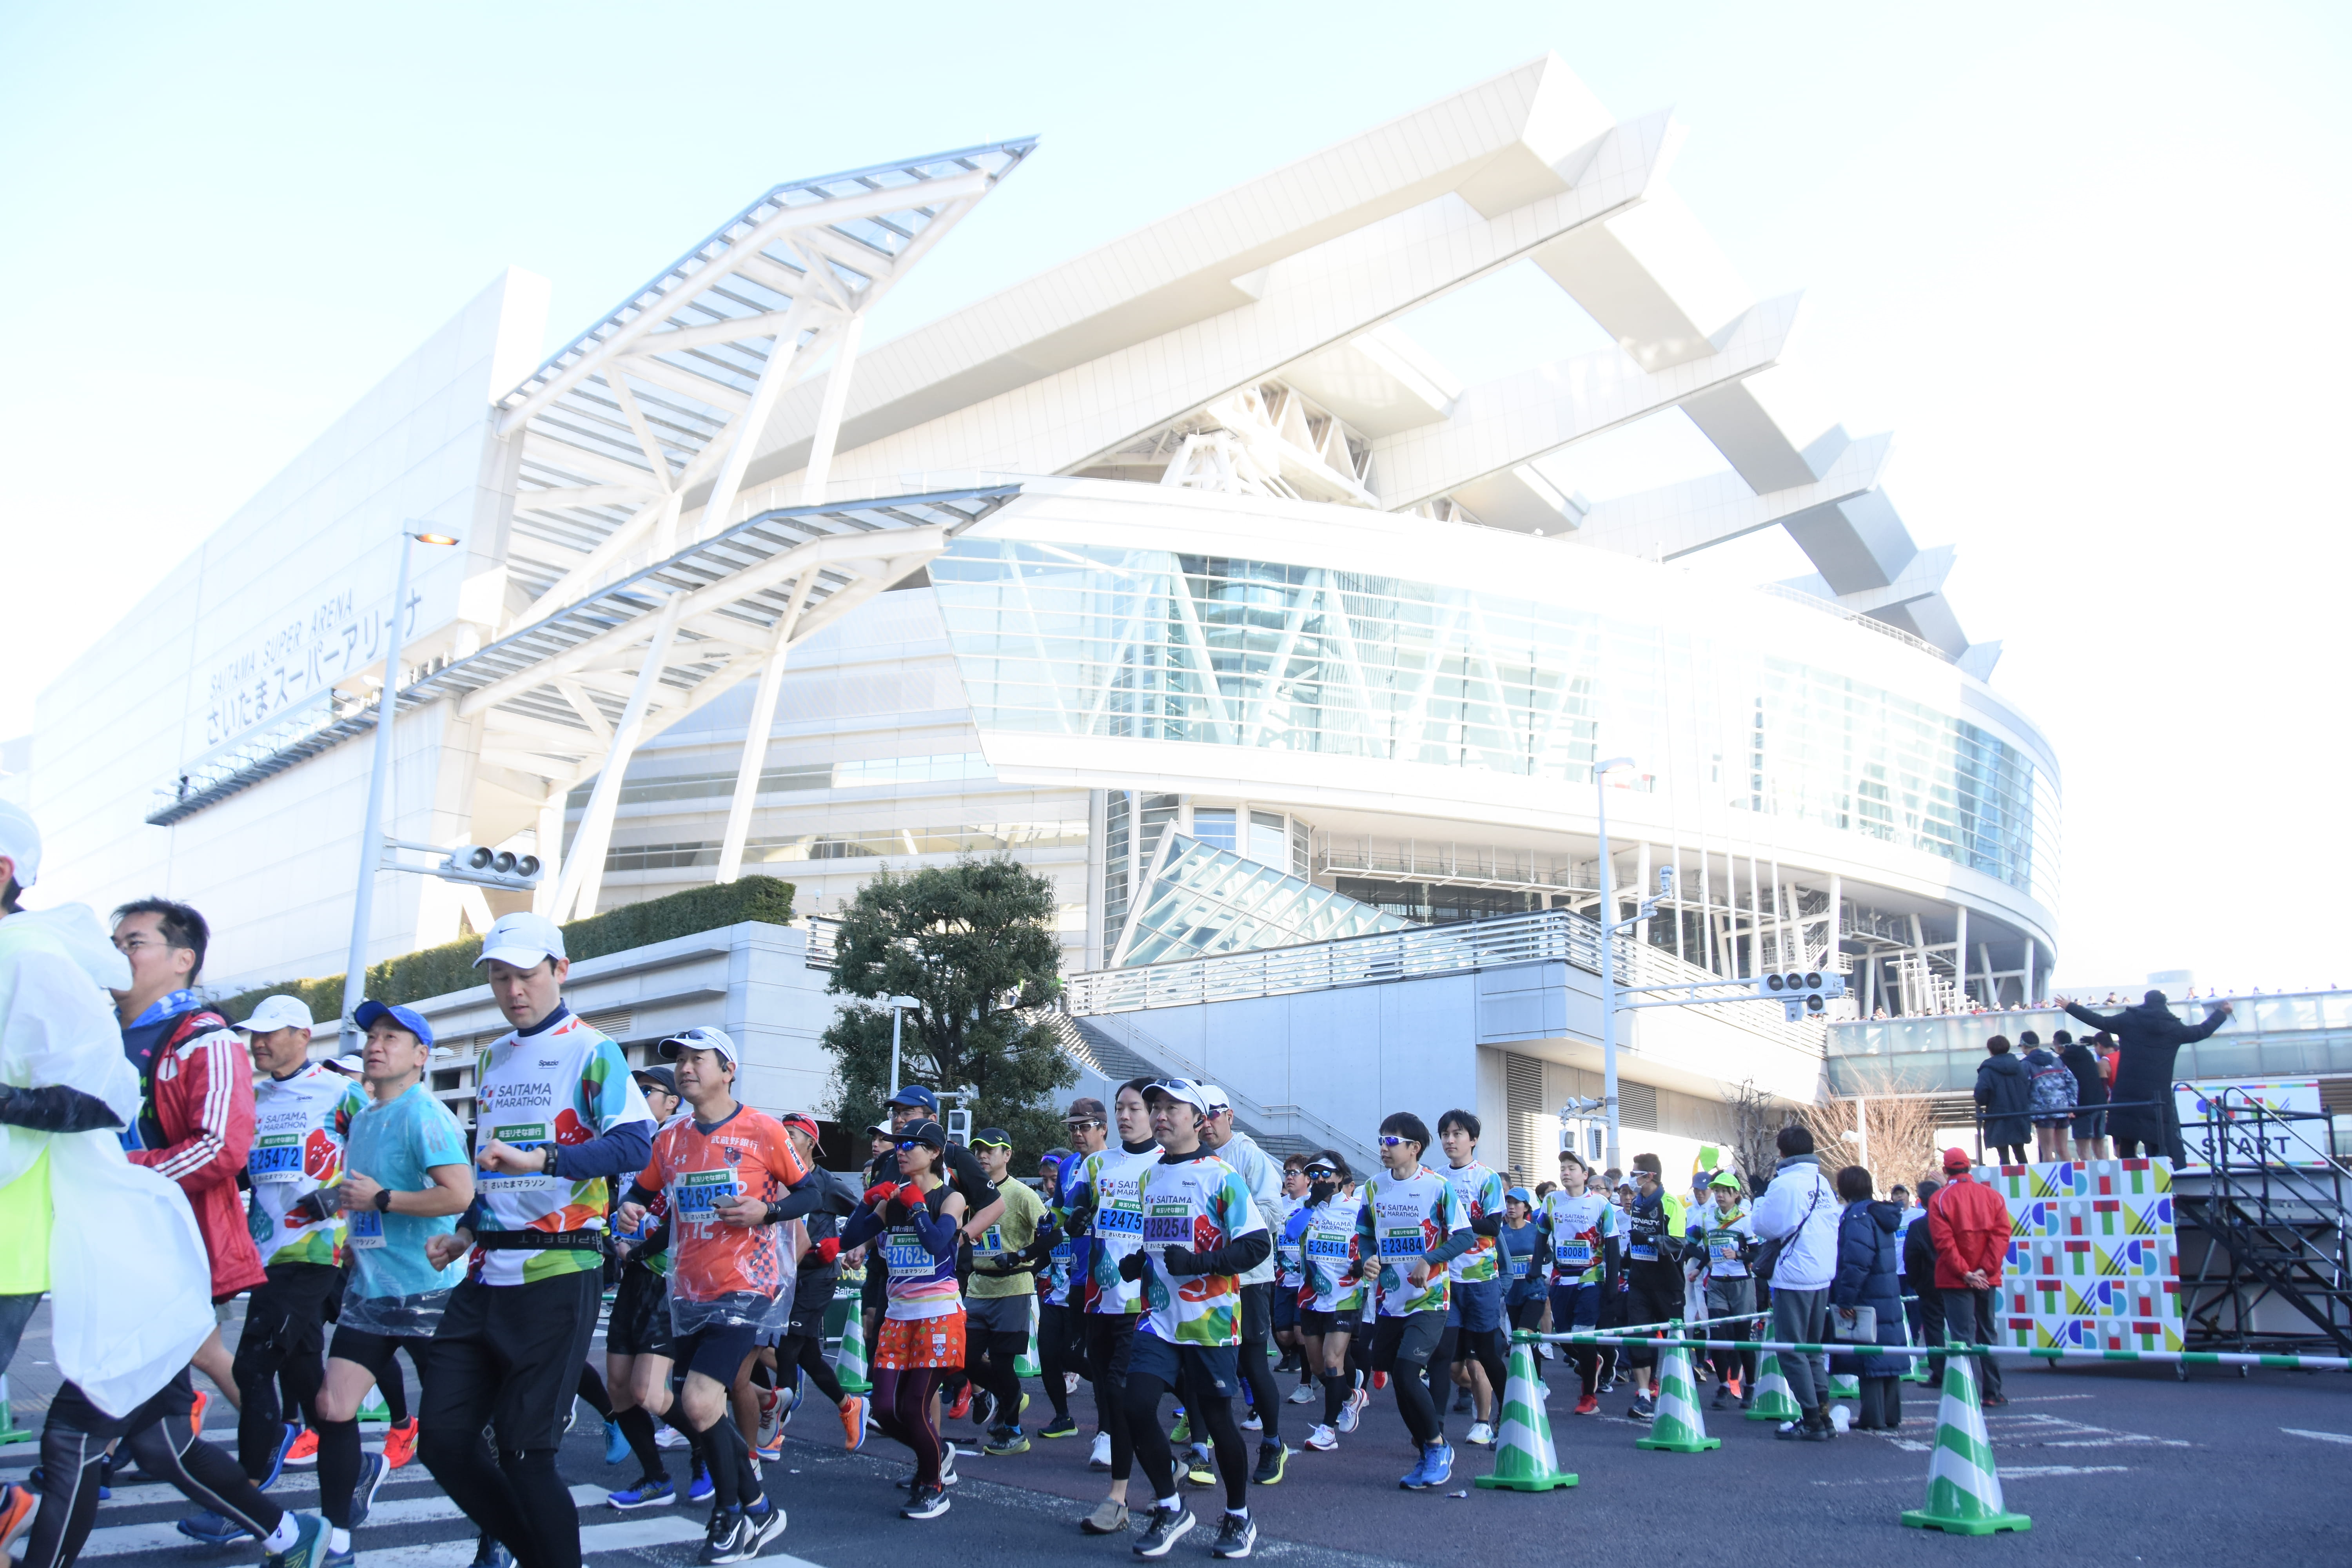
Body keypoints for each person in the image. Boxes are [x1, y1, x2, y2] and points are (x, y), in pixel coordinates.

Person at [0, 806, 207, 1558]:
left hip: (13, 1235)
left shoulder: (29, 956)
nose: (127, 954)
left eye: (139, 942)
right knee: (147, 1436)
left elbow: (105, 1099)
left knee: (126, 1433)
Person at [418, 912, 655, 1568]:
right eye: (500, 978)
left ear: (561, 971)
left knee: (525, 1452)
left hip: (559, 1268)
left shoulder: (592, 1050)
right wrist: (465, 1231)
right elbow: (494, 1167)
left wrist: (546, 1159)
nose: (513, 990)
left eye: (526, 975)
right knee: (442, 1440)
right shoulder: (493, 1057)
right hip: (486, 1270)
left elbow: (635, 1144)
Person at [177, 997, 368, 1546]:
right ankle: (355, 1479)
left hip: (313, 1253)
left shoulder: (341, 1092)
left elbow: (380, 1156)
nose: (259, 1043)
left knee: (253, 1369)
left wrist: (336, 1198)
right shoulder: (252, 1096)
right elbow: (237, 1169)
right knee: (311, 1386)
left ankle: (243, 1500)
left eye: (272, 1033)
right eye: (254, 1034)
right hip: (261, 1253)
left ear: (304, 1035)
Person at [615, 1027, 810, 1563]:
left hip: (749, 1287)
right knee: (699, 1409)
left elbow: (810, 1192)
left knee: (700, 1402)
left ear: (728, 1070)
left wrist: (767, 1211)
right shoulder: (671, 1139)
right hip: (689, 1290)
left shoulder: (763, 1130)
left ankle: (729, 1515)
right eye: (680, 1059)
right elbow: (642, 1192)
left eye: (697, 1059)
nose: (685, 1067)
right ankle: (758, 1509)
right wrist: (631, 1208)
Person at [310, 1002, 474, 1566]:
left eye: (391, 1038)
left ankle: (500, 1532)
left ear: (421, 1056)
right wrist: (353, 1235)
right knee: (333, 1406)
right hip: (370, 1292)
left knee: (455, 1431)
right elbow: (362, 1196)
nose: (375, 1046)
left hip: (432, 1291)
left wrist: (382, 1200)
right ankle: (336, 1537)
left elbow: (459, 1194)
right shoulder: (363, 1118)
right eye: (372, 1036)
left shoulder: (424, 1114)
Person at [112, 897, 269, 1404]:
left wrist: (120, 1171)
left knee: (187, 1349)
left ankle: (278, 1434)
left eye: (134, 943)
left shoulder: (206, 1039)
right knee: (153, 1358)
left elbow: (222, 1148)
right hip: (106, 1226)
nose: (118, 955)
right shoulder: (96, 1035)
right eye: (114, 944)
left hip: (176, 1234)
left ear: (184, 959)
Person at [1118, 1078, 1270, 1560]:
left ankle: (1239, 1515)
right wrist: (1139, 1262)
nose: (1160, 1115)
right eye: (1156, 1107)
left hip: (1210, 1321)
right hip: (1158, 1318)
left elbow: (1257, 1245)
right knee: (1136, 1405)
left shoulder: (1222, 1175)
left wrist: (1199, 1264)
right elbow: (1161, 1242)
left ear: (1200, 1120)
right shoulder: (1150, 1177)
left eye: (1172, 1107)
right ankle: (1170, 1506)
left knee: (1219, 1420)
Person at [838, 1118, 967, 1520]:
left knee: (914, 1408)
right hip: (898, 1317)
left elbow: (936, 1243)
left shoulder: (951, 1198)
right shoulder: (891, 1198)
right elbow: (848, 1239)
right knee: (882, 1409)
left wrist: (916, 1206)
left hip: (939, 1315)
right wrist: (867, 1203)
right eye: (899, 1143)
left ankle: (932, 1485)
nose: (901, 1150)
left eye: (912, 1144)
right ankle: (937, 1453)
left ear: (934, 1153)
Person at [1057, 1081, 1160, 1535]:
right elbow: (1068, 1216)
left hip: (1147, 1303)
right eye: (1119, 1107)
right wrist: (1075, 1219)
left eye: (1133, 1108)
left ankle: (1117, 1498)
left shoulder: (1167, 1165)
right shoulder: (1097, 1164)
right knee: (1109, 1391)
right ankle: (1169, 1468)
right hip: (1100, 1298)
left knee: (1120, 1393)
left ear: (1154, 1113)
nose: (1124, 1115)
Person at [1356, 1111, 1473, 1490]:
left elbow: (1465, 1236)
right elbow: (1365, 1235)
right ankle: (1426, 1450)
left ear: (1414, 1148)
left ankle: (1438, 1446)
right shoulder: (1373, 1187)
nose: (1384, 1147)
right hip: (1390, 1301)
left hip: (1430, 1299)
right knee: (1396, 1378)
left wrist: (1429, 1259)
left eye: (1391, 1141)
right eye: (1381, 1140)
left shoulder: (1438, 1187)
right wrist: (1368, 1259)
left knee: (1408, 1373)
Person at [1197, 1085, 1291, 1483]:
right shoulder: (1189, 1157)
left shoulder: (1249, 1155)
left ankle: (1273, 1443)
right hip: (1203, 1276)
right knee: (1201, 1360)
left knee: (1252, 1363)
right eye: (1199, 1116)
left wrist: (1230, 1223)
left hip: (1249, 1277)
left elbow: (1273, 1214)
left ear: (1230, 1116)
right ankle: (1200, 1447)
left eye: (1214, 1114)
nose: (1207, 1123)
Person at [765, 1111, 867, 1456]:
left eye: (791, 1135)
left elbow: (863, 1217)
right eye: (781, 1134)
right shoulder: (774, 1179)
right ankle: (849, 1405)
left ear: (811, 1143)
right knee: (808, 1355)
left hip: (817, 1277)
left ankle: (774, 1431)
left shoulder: (826, 1182)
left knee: (787, 1350)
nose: (784, 1140)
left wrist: (839, 1244)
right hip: (783, 1276)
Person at [2059, 991, 2234, 1163]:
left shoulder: (2129, 1020)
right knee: (2157, 1142)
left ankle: (2130, 1178)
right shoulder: (2174, 1028)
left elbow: (2099, 1021)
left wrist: (2071, 1007)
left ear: (2145, 1002)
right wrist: (2221, 1013)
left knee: (2127, 1144)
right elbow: (2201, 1031)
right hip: (2158, 1097)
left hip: (2127, 1094)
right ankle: (2159, 1178)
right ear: (2165, 1004)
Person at [962, 1126, 1052, 1455]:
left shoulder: (1022, 1194)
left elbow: (1052, 1236)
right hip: (977, 1286)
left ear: (1007, 1155)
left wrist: (1021, 1260)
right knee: (963, 1359)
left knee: (1003, 1365)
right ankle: (1011, 1395)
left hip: (1013, 1289)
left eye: (990, 1150)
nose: (982, 1156)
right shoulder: (970, 1193)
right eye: (978, 1150)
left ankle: (1014, 1431)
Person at [1749, 1125, 1840, 1441]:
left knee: (1791, 1349)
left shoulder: (1784, 1184)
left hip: (1794, 1274)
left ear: (1782, 1152)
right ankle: (1823, 1417)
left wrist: (1760, 1199)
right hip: (1822, 1273)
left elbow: (1765, 1226)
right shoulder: (1822, 1182)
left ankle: (1812, 1419)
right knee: (1812, 1349)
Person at [1432, 1109, 1509, 1448]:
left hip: (1481, 1280)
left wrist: (1455, 1219)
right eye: (1445, 1135)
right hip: (1446, 1280)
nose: (1450, 1140)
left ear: (1473, 1140)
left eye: (1457, 1134)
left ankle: (1500, 1416)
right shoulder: (1435, 1178)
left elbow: (1492, 1226)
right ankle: (1434, 1429)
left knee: (1486, 1356)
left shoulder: (1487, 1178)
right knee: (1447, 1360)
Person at [1293, 1152, 1365, 1454]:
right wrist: (1311, 1204)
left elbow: (1375, 1241)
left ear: (1340, 1177)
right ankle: (1350, 1396)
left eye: (1326, 1174)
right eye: (1314, 1174)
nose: (1320, 1179)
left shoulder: (1356, 1208)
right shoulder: (1305, 1207)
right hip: (1311, 1296)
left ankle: (1328, 1430)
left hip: (1345, 1295)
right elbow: (1291, 1233)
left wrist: (1365, 1261)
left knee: (1333, 1360)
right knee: (1317, 1366)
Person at [1926, 1148, 2009, 1406]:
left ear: (1946, 1170)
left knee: (1961, 1338)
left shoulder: (1940, 1199)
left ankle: (1966, 1393)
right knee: (1987, 1333)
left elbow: (1944, 1242)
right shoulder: (1993, 1196)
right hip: (1986, 1277)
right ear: (1969, 1168)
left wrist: (1965, 1272)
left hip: (1955, 1278)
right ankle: (1993, 1392)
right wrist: (1985, 1269)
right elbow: (2001, 1236)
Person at [1536, 1150, 1617, 1417]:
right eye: (1563, 1168)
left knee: (1583, 1334)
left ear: (1585, 1175)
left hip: (1590, 1278)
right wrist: (1536, 1269)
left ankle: (1589, 1397)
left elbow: (1613, 1244)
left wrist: (1612, 1283)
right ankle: (1592, 1359)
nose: (1566, 1173)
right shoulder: (1552, 1200)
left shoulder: (1600, 1204)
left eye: (1571, 1168)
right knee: (1565, 1338)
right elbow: (1542, 1235)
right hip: (1561, 1279)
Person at [1828, 1165, 1906, 1430]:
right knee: (1888, 1355)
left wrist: (1845, 1299)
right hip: (1887, 1292)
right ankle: (1891, 1414)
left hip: (1868, 1294)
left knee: (1869, 1355)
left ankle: (1873, 1417)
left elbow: (1857, 1261)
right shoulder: (1880, 1213)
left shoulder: (1858, 1217)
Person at [1616, 1152, 1687, 1421]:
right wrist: (1625, 1260)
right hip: (1639, 1282)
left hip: (1668, 1283)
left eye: (1636, 1174)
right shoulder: (1636, 1204)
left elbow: (1678, 1243)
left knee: (1674, 1340)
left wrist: (1648, 1239)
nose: (1632, 1179)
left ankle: (1680, 1393)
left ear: (1650, 1177)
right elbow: (1634, 1239)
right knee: (1638, 1338)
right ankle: (1644, 1396)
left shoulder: (1671, 1204)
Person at [1693, 1170, 1757, 1410]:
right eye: (1717, 1191)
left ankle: (1750, 1386)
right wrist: (1699, 1269)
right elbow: (1709, 1250)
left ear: (1736, 1195)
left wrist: (1738, 1255)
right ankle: (1723, 1386)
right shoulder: (1709, 1220)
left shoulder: (1746, 1221)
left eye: (1725, 1192)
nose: (1720, 1196)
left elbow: (1757, 1253)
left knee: (1742, 1339)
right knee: (1718, 1338)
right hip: (1717, 1283)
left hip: (1741, 1284)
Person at [1033, 1147, 1085, 1439]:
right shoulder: (1048, 1212)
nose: (1050, 1186)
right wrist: (1024, 1265)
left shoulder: (1086, 1204)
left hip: (1082, 1296)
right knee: (1049, 1358)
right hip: (1054, 1296)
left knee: (1075, 1359)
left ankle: (1114, 1402)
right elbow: (1045, 1252)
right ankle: (1063, 1418)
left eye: (1055, 1179)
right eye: (1045, 1181)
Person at [1904, 1177, 1945, 1383]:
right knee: (1962, 1329)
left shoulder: (1919, 1226)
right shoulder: (1953, 1220)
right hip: (1959, 1280)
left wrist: (1916, 1283)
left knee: (1934, 1329)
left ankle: (1940, 1373)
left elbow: (1911, 1258)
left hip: (1930, 1283)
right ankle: (1969, 1371)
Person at [1497, 1189, 1546, 1345]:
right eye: (1509, 1202)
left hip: (1534, 1291)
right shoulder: (1500, 1233)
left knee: (1523, 1334)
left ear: (1526, 1208)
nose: (1511, 1207)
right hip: (1512, 1294)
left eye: (1517, 1203)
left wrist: (1539, 1261)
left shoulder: (1536, 1231)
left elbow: (1549, 1255)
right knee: (1520, 1340)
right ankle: (1535, 1357)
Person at [1973, 1035, 2032, 1165]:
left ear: (1991, 1050)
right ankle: (2027, 1178)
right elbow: (2028, 1088)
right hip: (2019, 1114)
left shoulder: (1987, 1070)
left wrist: (1984, 1101)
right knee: (2020, 1153)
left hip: (1998, 1115)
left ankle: (2008, 1179)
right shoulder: (2019, 1066)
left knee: (2003, 1157)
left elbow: (1981, 1094)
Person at [2019, 1031, 2076, 1164]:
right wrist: (2072, 1105)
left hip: (2043, 1113)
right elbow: (2072, 1081)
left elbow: (2023, 1089)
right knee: (2063, 1149)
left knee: (2047, 1151)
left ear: (2024, 1046)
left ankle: (2050, 1178)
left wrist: (2026, 1108)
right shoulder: (2057, 1061)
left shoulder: (2026, 1065)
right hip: (2063, 1110)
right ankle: (2071, 1175)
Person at [2060, 1031, 2114, 1161]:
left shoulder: (2064, 1060)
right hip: (2100, 1104)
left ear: (2058, 1046)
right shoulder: (2087, 1055)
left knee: (2083, 1151)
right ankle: (2107, 1173)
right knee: (2100, 1149)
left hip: (2082, 1107)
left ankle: (2090, 1175)